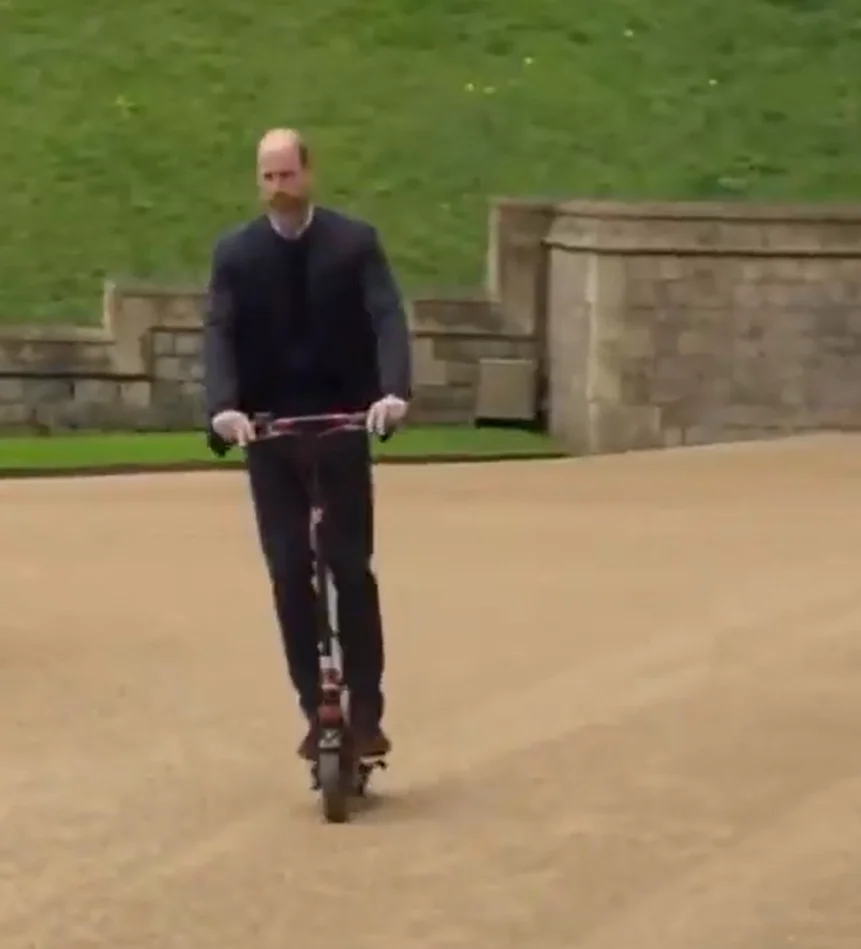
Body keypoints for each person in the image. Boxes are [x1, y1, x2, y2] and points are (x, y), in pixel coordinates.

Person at [202, 128, 411, 761]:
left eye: (287, 175)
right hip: (270, 433)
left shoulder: (353, 243)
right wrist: (223, 407)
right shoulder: (236, 254)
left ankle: (366, 709)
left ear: (308, 173)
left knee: (348, 566)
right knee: (289, 569)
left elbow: (386, 315)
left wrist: (392, 393)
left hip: (342, 424)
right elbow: (219, 331)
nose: (278, 189)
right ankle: (313, 705)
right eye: (268, 177)